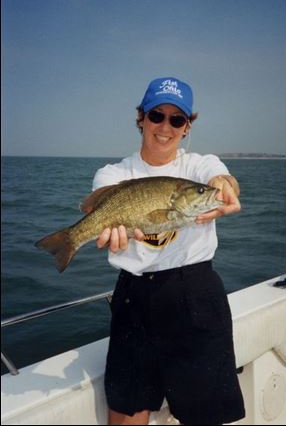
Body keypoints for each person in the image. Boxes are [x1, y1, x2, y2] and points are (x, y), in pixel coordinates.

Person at [92, 77, 245, 425]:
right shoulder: (113, 174)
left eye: (177, 119)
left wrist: (223, 186)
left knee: (204, 416)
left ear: (188, 125)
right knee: (128, 410)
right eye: (157, 115)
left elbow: (221, 178)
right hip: (133, 299)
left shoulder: (198, 167)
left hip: (195, 295)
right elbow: (104, 212)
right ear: (141, 118)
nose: (165, 126)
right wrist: (107, 233)